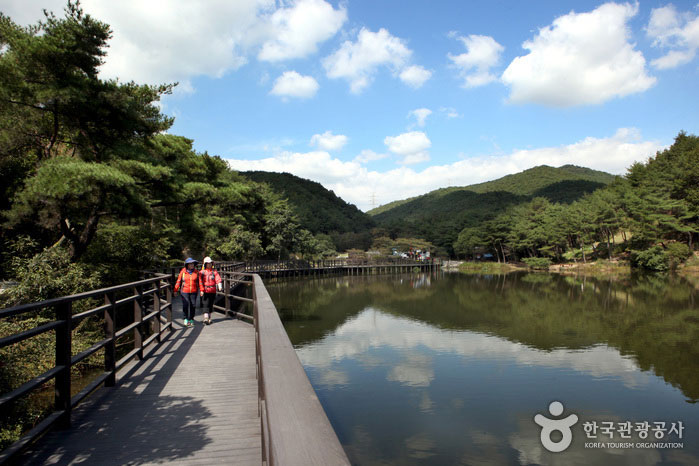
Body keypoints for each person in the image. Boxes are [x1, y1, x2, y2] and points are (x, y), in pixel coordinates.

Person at [174, 257, 200, 327]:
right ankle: (185, 318)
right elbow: (178, 281)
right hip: (184, 291)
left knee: (193, 305)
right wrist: (175, 290)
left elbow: (200, 282)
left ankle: (191, 318)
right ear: (187, 265)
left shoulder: (196, 272)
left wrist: (202, 290)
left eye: (193, 264)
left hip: (194, 291)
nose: (192, 265)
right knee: (186, 304)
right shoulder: (183, 272)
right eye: (190, 264)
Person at [199, 256, 222, 325]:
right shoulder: (202, 272)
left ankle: (209, 317)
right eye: (208, 263)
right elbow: (200, 282)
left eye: (210, 263)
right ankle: (206, 318)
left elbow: (218, 279)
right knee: (205, 303)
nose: (209, 265)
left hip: (212, 290)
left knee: (210, 304)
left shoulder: (214, 272)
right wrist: (201, 290)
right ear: (205, 264)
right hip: (205, 290)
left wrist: (219, 286)